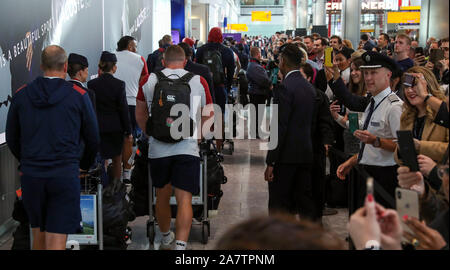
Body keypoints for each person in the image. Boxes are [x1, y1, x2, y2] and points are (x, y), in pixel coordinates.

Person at [6, 45, 100, 250]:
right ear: (65, 66)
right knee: (57, 239)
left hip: (32, 176)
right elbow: (93, 137)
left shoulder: (22, 94)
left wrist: (28, 160)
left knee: (37, 235)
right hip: (65, 174)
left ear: (41, 65)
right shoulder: (78, 95)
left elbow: (12, 136)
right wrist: (83, 165)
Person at [135, 45, 212, 250]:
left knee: (161, 194)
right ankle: (180, 246)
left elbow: (140, 114)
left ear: (163, 61)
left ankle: (166, 236)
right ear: (185, 61)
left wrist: (149, 133)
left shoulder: (148, 80)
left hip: (158, 149)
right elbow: (209, 113)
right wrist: (199, 136)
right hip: (187, 147)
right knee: (184, 198)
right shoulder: (198, 81)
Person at [336, 51, 404, 209]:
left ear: (388, 75)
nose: (368, 78)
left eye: (374, 73)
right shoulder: (372, 102)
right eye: (366, 73)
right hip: (367, 171)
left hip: (384, 175)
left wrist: (376, 141)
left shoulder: (394, 107)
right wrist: (353, 161)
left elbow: (402, 147)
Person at [264, 43, 316, 220]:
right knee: (304, 203)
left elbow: (280, 126)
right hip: (305, 153)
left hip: (285, 157)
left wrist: (271, 161)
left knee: (280, 205)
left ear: (283, 61)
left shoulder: (284, 87)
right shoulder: (309, 87)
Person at [88, 51, 132, 181]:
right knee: (117, 159)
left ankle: (102, 186)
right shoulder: (119, 84)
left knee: (101, 159)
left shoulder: (92, 84)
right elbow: (123, 109)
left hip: (98, 127)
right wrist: (128, 130)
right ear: (114, 67)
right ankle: (116, 188)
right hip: (115, 128)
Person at [301, 63, 335, 222]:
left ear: (308, 78)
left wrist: (326, 141)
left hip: (315, 149)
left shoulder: (319, 96)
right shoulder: (288, 96)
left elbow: (325, 122)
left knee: (315, 185)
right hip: (297, 151)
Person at [394, 66, 448, 165]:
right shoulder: (406, 116)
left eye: (414, 85)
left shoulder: (443, 112)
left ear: (427, 85)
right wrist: (401, 150)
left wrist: (420, 146)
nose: (409, 90)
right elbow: (398, 159)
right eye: (406, 86)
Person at [114, 36, 149, 184]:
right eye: (134, 46)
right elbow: (145, 80)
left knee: (115, 139)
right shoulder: (140, 59)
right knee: (130, 139)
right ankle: (127, 173)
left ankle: (115, 173)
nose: (136, 48)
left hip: (113, 103)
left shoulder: (111, 57)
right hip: (131, 102)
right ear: (129, 46)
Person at [195, 27, 235, 151]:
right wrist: (227, 87)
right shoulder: (227, 51)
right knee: (219, 115)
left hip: (203, 87)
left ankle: (200, 143)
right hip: (219, 87)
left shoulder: (201, 50)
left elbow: (196, 67)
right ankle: (218, 147)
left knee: (202, 114)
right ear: (221, 37)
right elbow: (231, 71)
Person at [216, 215, 345, 250]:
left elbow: (272, 146)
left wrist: (270, 163)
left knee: (280, 199)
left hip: (283, 163)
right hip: (305, 160)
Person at [247, 47, 272, 139]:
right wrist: (269, 84)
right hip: (257, 93)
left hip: (257, 92)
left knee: (258, 113)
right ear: (257, 54)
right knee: (257, 113)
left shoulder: (253, 65)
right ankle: (255, 131)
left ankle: (256, 130)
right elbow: (263, 80)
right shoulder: (255, 67)